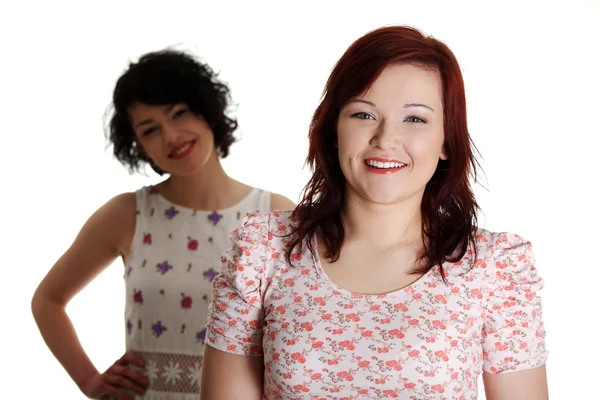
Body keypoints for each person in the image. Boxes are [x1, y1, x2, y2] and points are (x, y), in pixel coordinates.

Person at [200, 25, 549, 400]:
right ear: (334, 130)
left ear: (447, 140)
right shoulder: (262, 252)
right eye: (363, 115)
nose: (385, 139)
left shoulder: (495, 269)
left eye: (415, 119)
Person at [31, 49, 296, 400]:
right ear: (138, 145)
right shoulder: (127, 214)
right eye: (150, 129)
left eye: (179, 113)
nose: (171, 135)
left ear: (207, 110)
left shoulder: (273, 214)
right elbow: (47, 300)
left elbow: (298, 331)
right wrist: (90, 382)